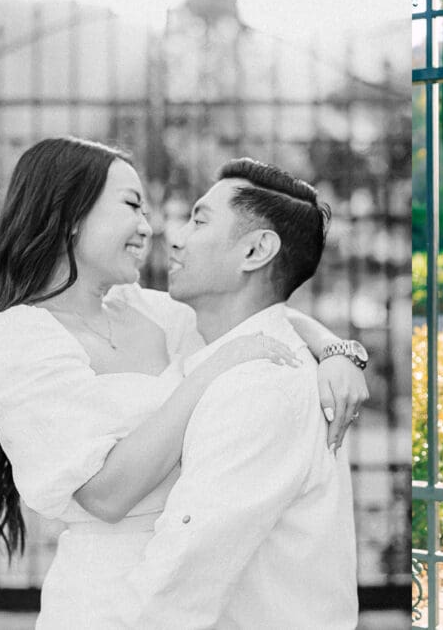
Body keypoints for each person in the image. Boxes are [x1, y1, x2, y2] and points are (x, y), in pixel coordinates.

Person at [0, 137, 368, 629]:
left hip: (189, 591)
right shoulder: (19, 336)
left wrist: (339, 352)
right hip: (105, 601)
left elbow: (253, 309)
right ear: (70, 213)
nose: (150, 229)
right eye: (132, 205)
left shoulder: (151, 311)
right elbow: (104, 495)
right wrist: (209, 374)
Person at [110, 157, 357, 628]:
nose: (176, 236)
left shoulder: (261, 384)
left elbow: (181, 578)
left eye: (199, 220)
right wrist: (341, 348)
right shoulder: (229, 350)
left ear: (255, 251)